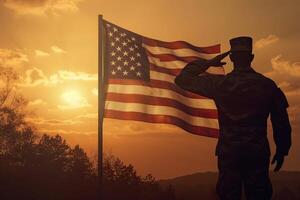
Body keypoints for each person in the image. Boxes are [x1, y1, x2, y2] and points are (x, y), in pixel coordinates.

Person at [175, 36, 292, 200]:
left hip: (229, 153)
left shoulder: (219, 84)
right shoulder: (267, 85)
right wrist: (282, 149)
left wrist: (208, 63)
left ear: (231, 58)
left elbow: (183, 79)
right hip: (256, 153)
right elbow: (281, 121)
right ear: (251, 58)